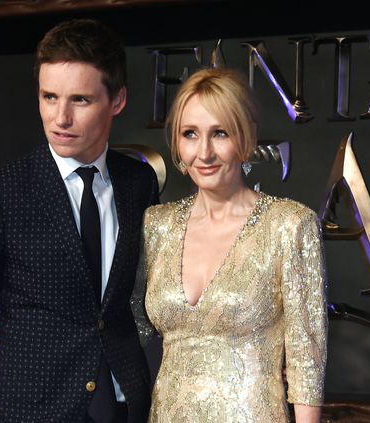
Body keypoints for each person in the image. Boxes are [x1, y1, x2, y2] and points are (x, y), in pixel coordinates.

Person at [0, 19, 158, 423]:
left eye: (80, 100)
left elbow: (130, 303)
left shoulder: (139, 182)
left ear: (117, 100)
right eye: (49, 97)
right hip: (30, 410)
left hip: (126, 406)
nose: (60, 117)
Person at [130, 67, 328, 422]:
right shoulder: (156, 225)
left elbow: (305, 358)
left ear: (246, 137)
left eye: (219, 133)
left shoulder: (288, 224)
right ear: (177, 143)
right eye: (190, 134)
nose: (203, 152)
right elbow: (123, 323)